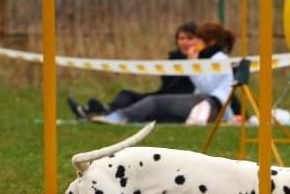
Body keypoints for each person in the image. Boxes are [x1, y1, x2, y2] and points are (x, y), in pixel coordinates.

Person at [91, 23, 236, 125]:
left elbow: (207, 89)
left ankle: (119, 117)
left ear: (210, 42)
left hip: (210, 104)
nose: (194, 44)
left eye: (198, 40)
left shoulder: (220, 59)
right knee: (158, 108)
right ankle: (111, 114)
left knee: (155, 102)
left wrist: (193, 63)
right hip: (205, 103)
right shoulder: (212, 58)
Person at [67, 22, 199, 120]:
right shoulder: (173, 57)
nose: (185, 42)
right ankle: (102, 110)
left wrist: (192, 62)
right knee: (127, 94)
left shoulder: (203, 60)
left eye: (189, 38)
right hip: (162, 95)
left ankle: (102, 114)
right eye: (181, 38)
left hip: (178, 101)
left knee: (147, 102)